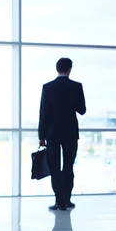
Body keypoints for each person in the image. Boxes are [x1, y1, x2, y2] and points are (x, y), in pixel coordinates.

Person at [38, 57, 87, 211]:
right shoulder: (76, 87)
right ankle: (67, 199)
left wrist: (41, 135)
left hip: (52, 133)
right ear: (69, 69)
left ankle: (59, 201)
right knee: (68, 167)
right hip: (70, 133)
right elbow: (82, 110)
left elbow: (43, 113)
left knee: (54, 168)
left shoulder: (47, 87)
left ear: (57, 68)